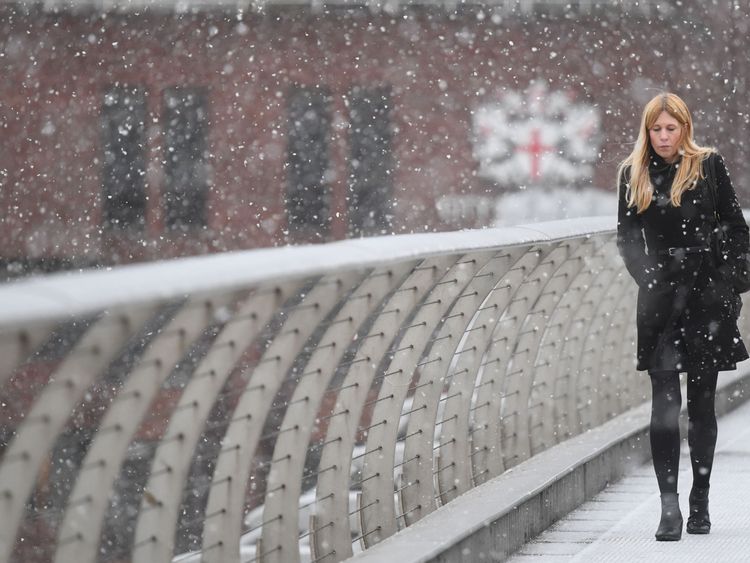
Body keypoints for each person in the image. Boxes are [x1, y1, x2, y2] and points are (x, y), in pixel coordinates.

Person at [616, 92, 749, 541]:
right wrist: (651, 281)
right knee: (664, 409)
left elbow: (736, 227)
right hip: (659, 301)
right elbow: (628, 239)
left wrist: (727, 281)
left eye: (671, 128)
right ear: (647, 130)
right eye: (656, 129)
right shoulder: (632, 173)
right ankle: (668, 505)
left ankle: (701, 500)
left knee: (703, 406)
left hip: (707, 296)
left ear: (685, 129)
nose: (664, 137)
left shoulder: (708, 165)